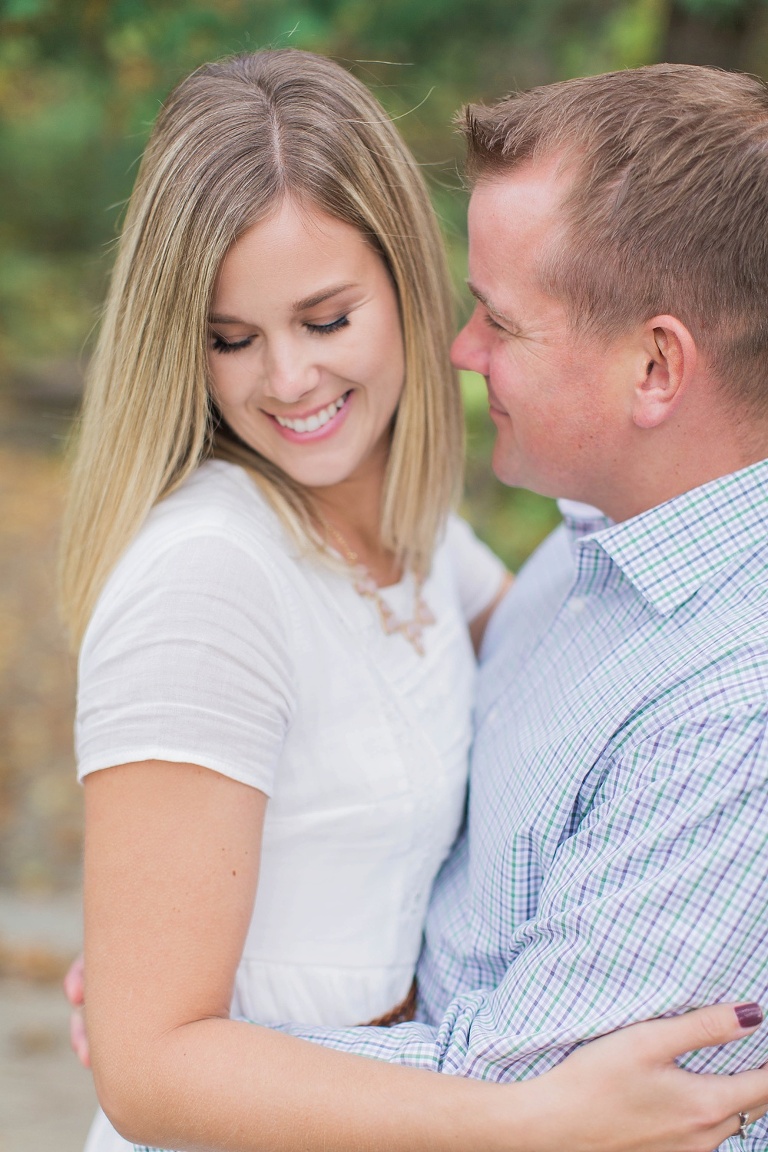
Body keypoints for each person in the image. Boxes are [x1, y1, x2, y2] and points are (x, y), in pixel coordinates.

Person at [61, 51, 768, 1152]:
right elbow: (152, 1068)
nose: (287, 379)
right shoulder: (209, 577)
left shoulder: (437, 539)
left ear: (402, 281)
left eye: (327, 319)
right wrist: (180, 1010)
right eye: (230, 338)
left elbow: (526, 691)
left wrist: (226, 1019)